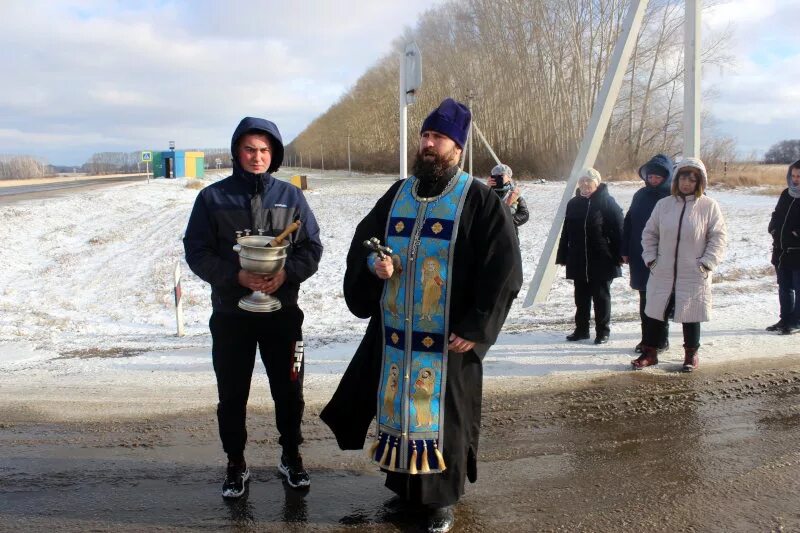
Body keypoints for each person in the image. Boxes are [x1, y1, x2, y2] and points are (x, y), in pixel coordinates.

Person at [320, 98, 522, 533]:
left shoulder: (480, 200)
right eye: (426, 136)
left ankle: (440, 502)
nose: (429, 145)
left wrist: (477, 327)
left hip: (449, 338)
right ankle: (406, 493)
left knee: (442, 417)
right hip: (397, 334)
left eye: (439, 139)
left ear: (457, 148)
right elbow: (365, 243)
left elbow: (503, 269)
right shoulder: (398, 193)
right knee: (397, 406)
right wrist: (376, 269)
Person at [183, 117, 323, 498]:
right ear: (236, 152)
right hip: (232, 316)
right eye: (249, 149)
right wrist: (236, 278)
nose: (257, 156)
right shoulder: (213, 198)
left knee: (290, 391)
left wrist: (286, 275)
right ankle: (235, 462)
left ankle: (291, 455)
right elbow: (196, 251)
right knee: (232, 395)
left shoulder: (291, 196)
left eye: (264, 150)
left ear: (273, 153)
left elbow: (312, 248)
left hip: (283, 314)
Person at [632, 157, 727, 371]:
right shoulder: (664, 205)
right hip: (663, 269)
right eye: (683, 178)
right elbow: (649, 234)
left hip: (693, 271)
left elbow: (718, 237)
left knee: (691, 314)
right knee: (655, 312)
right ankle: (650, 353)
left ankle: (690, 355)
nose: (686, 183)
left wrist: (706, 263)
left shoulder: (708, 206)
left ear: (699, 182)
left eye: (692, 180)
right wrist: (651, 259)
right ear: (676, 179)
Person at [556, 168, 623, 344]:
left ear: (597, 183)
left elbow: (619, 229)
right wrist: (563, 254)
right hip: (578, 257)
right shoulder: (573, 203)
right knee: (581, 297)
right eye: (582, 181)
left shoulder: (606, 202)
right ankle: (581, 330)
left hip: (602, 257)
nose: (585, 184)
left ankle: (603, 332)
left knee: (601, 297)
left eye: (589, 181)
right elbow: (566, 231)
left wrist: (621, 253)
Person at [622, 154, 674, 353]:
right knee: (645, 298)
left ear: (666, 177)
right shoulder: (640, 194)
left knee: (660, 299)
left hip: (662, 255)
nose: (653, 180)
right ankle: (646, 339)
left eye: (657, 177)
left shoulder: (672, 197)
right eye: (650, 176)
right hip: (638, 253)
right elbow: (629, 221)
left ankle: (661, 340)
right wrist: (624, 249)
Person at [766, 159, 800, 335]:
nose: (795, 179)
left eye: (799, 176)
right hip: (781, 250)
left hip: (797, 252)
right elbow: (777, 213)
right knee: (784, 287)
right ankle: (785, 318)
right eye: (793, 175)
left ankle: (797, 321)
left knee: (798, 287)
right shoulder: (786, 193)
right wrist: (772, 227)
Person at [487, 163, 529, 232]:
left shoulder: (515, 194)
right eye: (495, 176)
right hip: (489, 237)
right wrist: (486, 189)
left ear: (509, 178)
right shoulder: (486, 194)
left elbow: (524, 215)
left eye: (501, 175)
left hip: (509, 237)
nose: (498, 177)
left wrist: (505, 221)